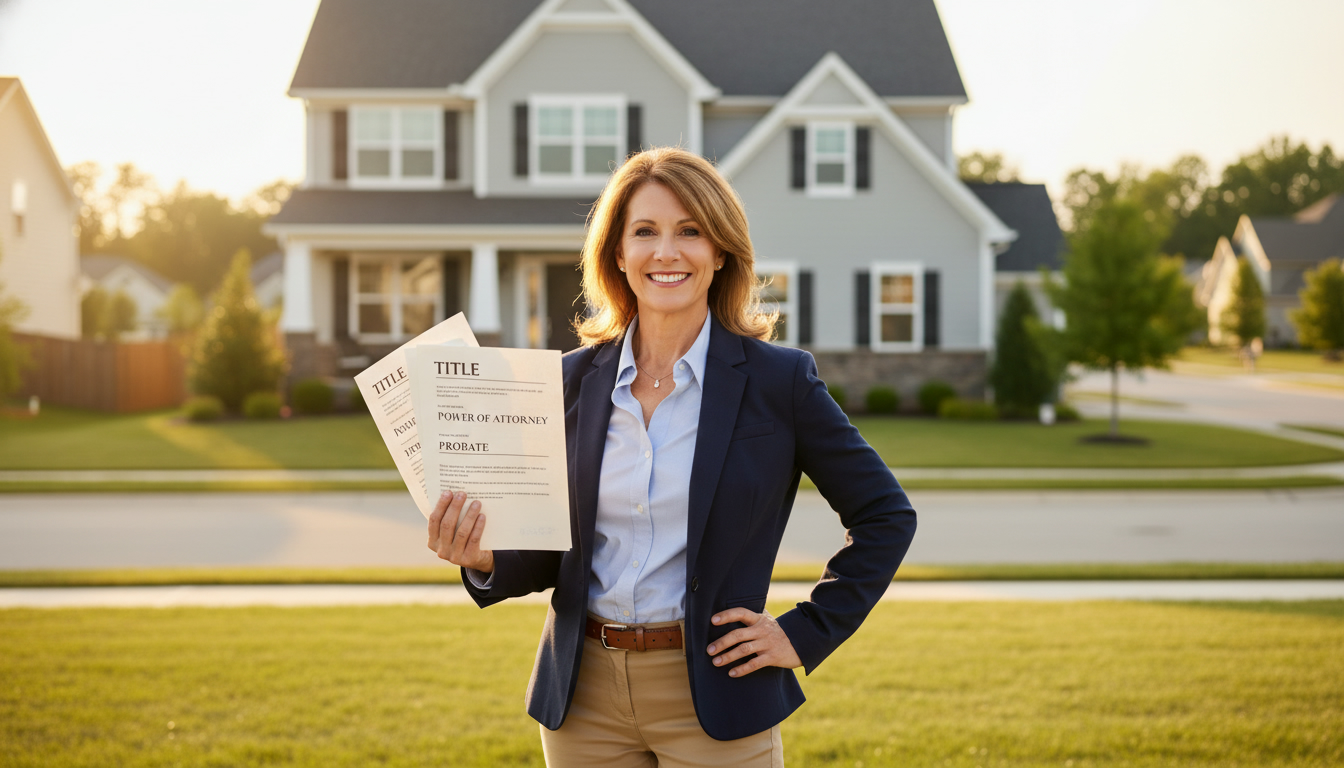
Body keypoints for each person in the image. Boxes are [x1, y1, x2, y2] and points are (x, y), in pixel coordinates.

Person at [427, 147, 916, 766]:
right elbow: (556, 550)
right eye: (645, 232)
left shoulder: (779, 382)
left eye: (690, 231)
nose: (666, 252)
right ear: (618, 255)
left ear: (720, 252)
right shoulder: (568, 383)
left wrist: (805, 631)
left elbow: (886, 515)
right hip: (583, 701)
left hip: (716, 695)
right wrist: (486, 556)